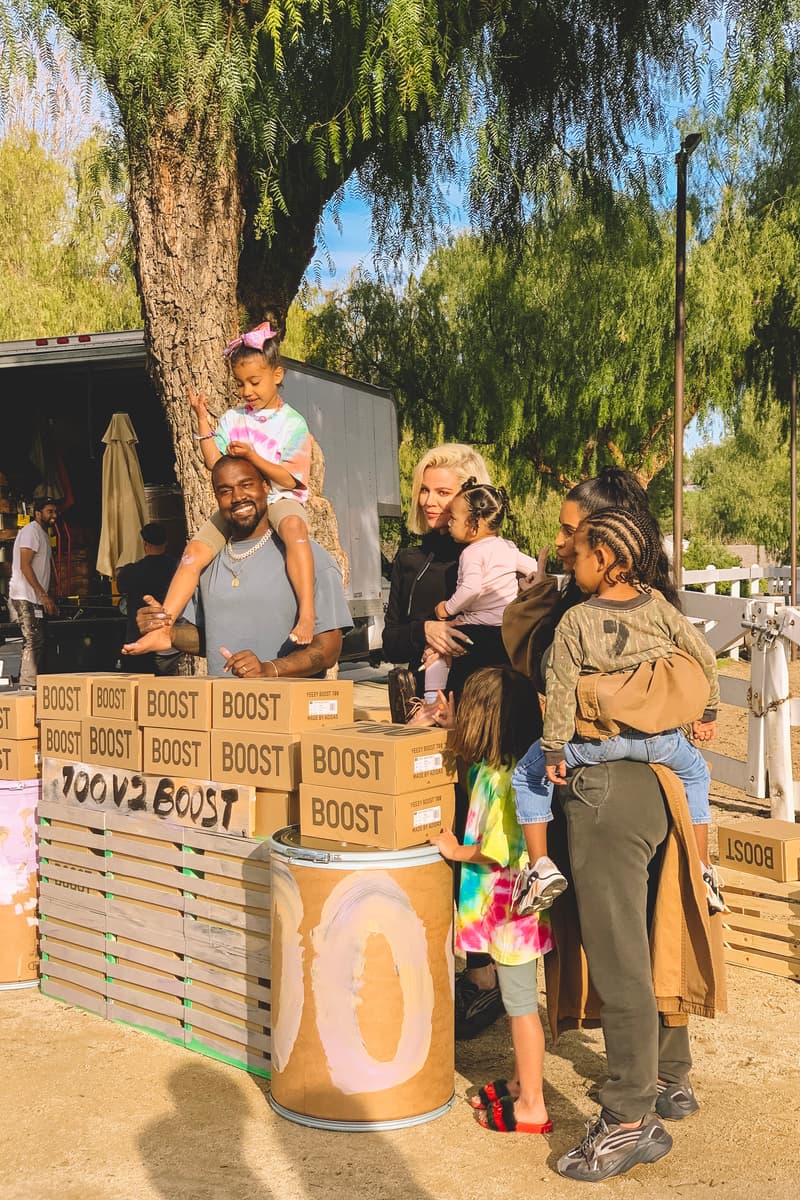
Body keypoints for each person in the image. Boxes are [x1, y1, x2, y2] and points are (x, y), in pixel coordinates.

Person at [501, 468, 721, 1183]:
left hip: (604, 793)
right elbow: (681, 683)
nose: (558, 543)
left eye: (570, 532)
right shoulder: (649, 601)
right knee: (660, 924)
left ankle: (628, 1116)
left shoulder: (584, 614)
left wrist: (584, 709)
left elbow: (561, 685)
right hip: (659, 784)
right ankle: (667, 1076)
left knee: (619, 946)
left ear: (607, 541)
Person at [511, 506, 724, 917]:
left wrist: (554, 748)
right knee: (696, 773)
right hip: (660, 743)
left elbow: (561, 688)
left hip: (596, 745)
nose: (572, 565)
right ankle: (702, 867)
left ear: (604, 559)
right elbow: (704, 657)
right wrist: (709, 710)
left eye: (579, 555)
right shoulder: (658, 607)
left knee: (526, 773)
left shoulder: (575, 620)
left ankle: (540, 867)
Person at [382, 443, 508, 1039]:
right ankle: (432, 959)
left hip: (480, 715)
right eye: (424, 491)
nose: (432, 502)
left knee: (475, 837)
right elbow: (388, 637)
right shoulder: (410, 560)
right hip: (419, 711)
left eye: (445, 492)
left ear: (471, 497)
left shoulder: (490, 555)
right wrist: (425, 628)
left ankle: (483, 977)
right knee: (426, 830)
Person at [129, 316, 317, 658]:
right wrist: (203, 421)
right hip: (240, 502)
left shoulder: (292, 423)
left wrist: (254, 458)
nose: (247, 391)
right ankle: (164, 625)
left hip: (278, 497)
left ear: (277, 375)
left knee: (294, 529)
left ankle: (306, 612)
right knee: (193, 552)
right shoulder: (233, 418)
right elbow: (214, 461)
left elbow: (290, 478)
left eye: (255, 382)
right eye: (240, 384)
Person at [429, 666, 554, 1135]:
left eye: (464, 710)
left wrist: (456, 850)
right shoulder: (495, 767)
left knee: (521, 1007)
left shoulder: (510, 780)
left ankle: (534, 1105)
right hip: (501, 916)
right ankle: (523, 1082)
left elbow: (498, 848)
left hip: (512, 915)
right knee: (516, 999)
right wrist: (444, 726)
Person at [123, 456, 351, 679]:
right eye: (225, 491)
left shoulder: (309, 559)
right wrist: (167, 632)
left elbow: (328, 649)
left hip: (287, 712)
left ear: (265, 487)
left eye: (246, 485)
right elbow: (209, 638)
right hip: (226, 709)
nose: (238, 497)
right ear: (217, 499)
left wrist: (269, 669)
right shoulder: (207, 562)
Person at [422, 479, 538, 702]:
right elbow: (533, 568)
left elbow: (471, 589)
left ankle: (432, 702)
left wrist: (446, 609)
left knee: (437, 648)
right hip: (507, 630)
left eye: (454, 519)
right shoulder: (508, 547)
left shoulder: (472, 552)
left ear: (474, 523)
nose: (449, 524)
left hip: (479, 629)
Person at [9, 496, 58, 689]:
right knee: (32, 639)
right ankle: (28, 686)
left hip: (34, 597)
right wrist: (43, 595)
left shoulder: (43, 533)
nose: (54, 515)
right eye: (49, 511)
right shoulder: (31, 532)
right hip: (25, 596)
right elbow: (25, 565)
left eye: (55, 511)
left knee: (38, 640)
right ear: (38, 513)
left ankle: (35, 683)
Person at [116, 523, 179, 674]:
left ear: (145, 544)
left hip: (138, 641)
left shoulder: (131, 572)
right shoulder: (179, 569)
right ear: (165, 544)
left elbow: (120, 584)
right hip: (172, 644)